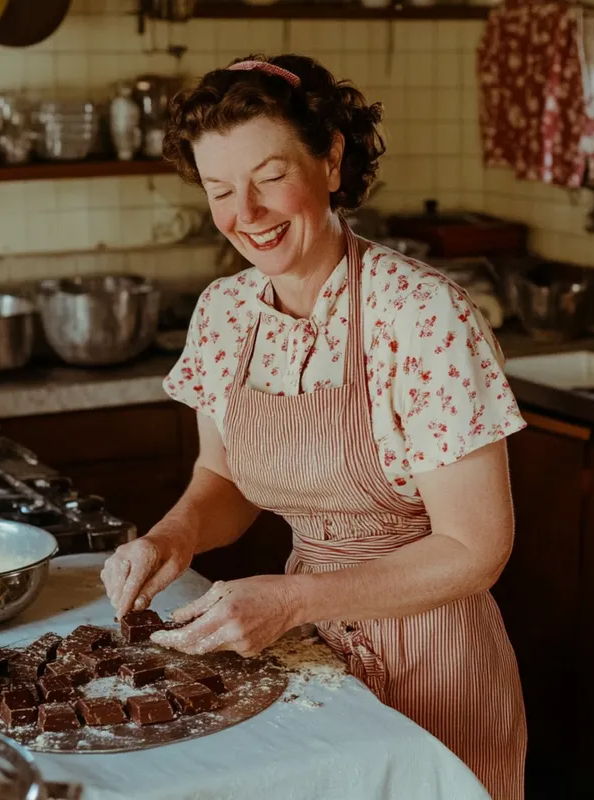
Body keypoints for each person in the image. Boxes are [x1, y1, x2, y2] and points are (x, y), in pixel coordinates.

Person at [100, 54, 526, 798]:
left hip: (435, 655)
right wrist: (170, 537)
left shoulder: (421, 315)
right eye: (220, 189)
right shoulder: (224, 313)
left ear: (330, 159)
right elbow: (223, 479)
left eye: (269, 177)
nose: (247, 213)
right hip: (307, 657)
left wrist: (293, 599)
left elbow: (476, 549)